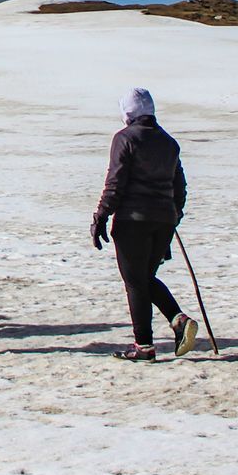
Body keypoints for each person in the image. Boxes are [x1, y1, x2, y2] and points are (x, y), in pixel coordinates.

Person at [92, 88, 200, 361]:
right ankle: (178, 321)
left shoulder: (125, 139)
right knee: (144, 278)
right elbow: (180, 186)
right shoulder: (169, 142)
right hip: (162, 221)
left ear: (128, 113)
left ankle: (145, 346)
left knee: (135, 282)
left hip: (133, 221)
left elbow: (115, 183)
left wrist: (101, 216)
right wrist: (173, 215)